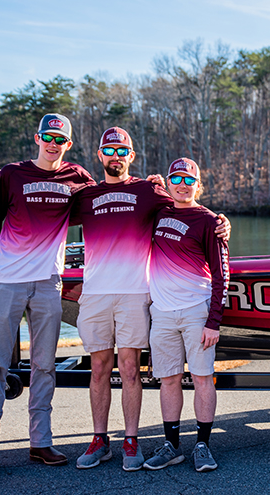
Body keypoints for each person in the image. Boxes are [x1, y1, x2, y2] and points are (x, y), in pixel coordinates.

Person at [70, 129, 230, 471]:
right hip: (100, 293)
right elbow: (45, 218)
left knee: (132, 369)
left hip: (140, 295)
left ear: (131, 155)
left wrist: (223, 224)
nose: (116, 155)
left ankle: (134, 441)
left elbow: (198, 222)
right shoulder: (87, 196)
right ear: (100, 155)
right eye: (109, 149)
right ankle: (102, 440)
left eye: (122, 150)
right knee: (101, 369)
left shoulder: (149, 191)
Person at [0, 114, 94, 478]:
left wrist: (151, 186)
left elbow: (111, 197)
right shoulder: (12, 174)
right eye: (48, 137)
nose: (53, 144)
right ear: (37, 138)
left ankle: (40, 443)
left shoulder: (76, 177)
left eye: (61, 139)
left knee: (44, 366)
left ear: (68, 144)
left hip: (48, 283)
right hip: (7, 282)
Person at [143, 157, 229, 473]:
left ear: (198, 185)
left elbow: (222, 275)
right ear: (168, 183)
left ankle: (203, 445)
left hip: (196, 312)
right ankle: (172, 446)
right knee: (169, 380)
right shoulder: (158, 213)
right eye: (176, 179)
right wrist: (148, 185)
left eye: (189, 180)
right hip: (162, 313)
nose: (182, 185)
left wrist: (213, 321)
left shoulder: (209, 222)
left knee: (203, 377)